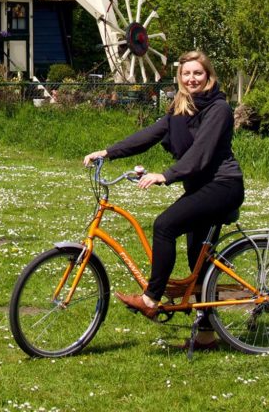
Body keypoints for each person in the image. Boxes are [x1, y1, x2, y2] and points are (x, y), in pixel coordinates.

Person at [83, 50, 244, 350]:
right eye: (187, 74)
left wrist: (166, 175)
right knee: (200, 262)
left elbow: (202, 154)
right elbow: (149, 134)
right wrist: (108, 152)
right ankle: (207, 335)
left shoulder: (218, 109)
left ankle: (150, 299)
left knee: (165, 225)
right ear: (180, 78)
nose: (192, 78)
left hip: (223, 186)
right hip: (202, 187)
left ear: (208, 76)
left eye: (198, 73)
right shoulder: (181, 109)